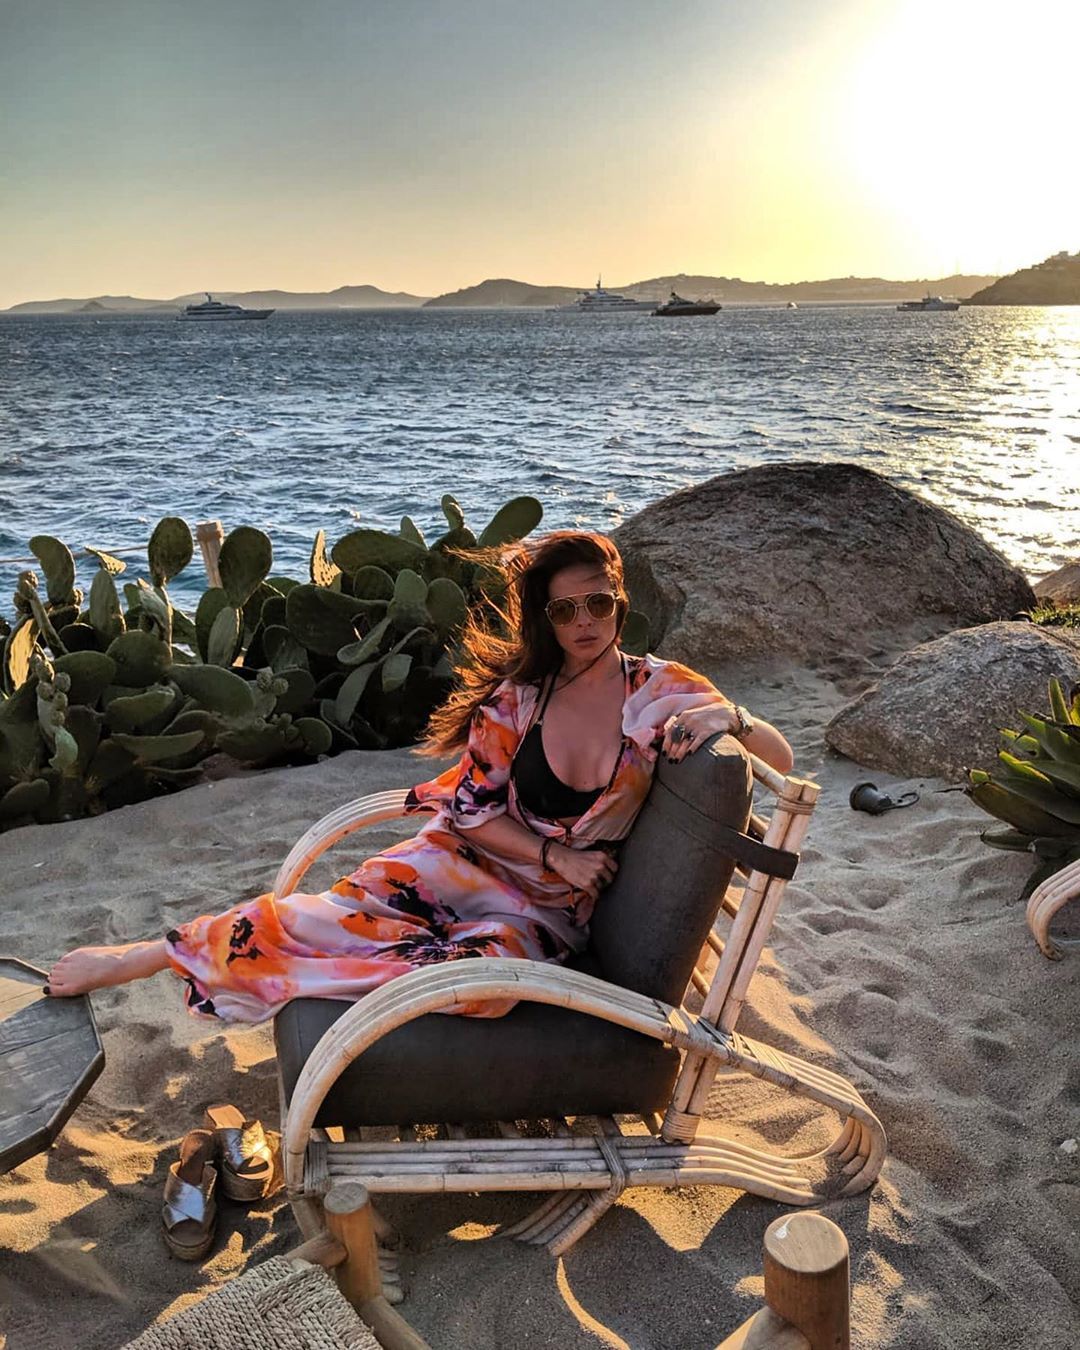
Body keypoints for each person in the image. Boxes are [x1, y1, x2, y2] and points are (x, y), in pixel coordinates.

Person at [45, 531, 793, 1020]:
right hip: (457, 863)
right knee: (319, 918)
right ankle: (149, 954)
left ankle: (316, 994)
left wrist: (728, 717)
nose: (584, 622)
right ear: (546, 620)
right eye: (565, 611)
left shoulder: (661, 690)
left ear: (620, 604)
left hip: (538, 913)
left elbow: (782, 761)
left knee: (479, 990)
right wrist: (555, 853)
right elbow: (470, 812)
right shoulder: (518, 702)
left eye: (598, 603)